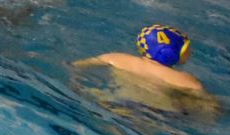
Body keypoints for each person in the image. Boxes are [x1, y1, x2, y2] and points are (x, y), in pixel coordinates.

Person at [74, 26, 213, 110]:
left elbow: (78, 65)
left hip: (115, 102)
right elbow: (208, 105)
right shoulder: (184, 79)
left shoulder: (117, 58)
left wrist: (76, 80)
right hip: (156, 113)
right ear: (170, 52)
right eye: (185, 50)